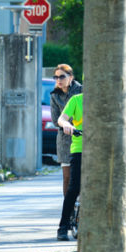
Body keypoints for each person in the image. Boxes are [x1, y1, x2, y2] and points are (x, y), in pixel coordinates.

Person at [49, 64, 82, 196]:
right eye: (56, 77)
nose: (59, 80)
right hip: (64, 139)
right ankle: (69, 211)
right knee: (67, 178)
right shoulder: (54, 95)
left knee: (81, 177)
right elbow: (55, 119)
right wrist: (66, 124)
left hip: (81, 137)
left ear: (71, 77)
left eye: (62, 76)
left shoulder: (81, 91)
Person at [56, 93, 83, 241]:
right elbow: (62, 118)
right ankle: (63, 227)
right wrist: (67, 125)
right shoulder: (76, 100)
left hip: (101, 149)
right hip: (80, 148)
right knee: (74, 187)